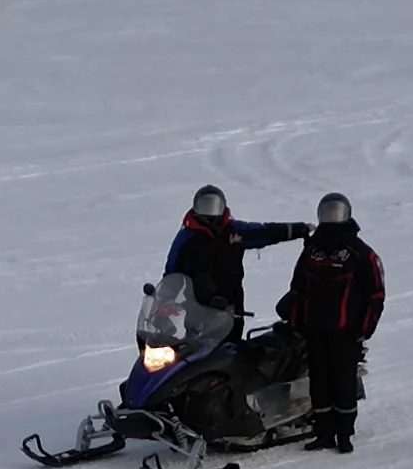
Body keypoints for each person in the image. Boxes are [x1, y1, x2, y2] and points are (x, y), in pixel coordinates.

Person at [281, 193, 385, 454]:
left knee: (343, 382)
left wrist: (364, 329)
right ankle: (323, 432)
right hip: (315, 329)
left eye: (335, 212)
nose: (331, 216)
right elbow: (297, 288)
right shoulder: (312, 251)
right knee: (319, 382)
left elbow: (375, 294)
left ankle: (345, 433)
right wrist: (295, 321)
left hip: (345, 331)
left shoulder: (361, 254)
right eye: (327, 212)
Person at [165, 185, 310, 336]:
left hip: (232, 307)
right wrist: (165, 301)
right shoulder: (187, 237)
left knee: (232, 352)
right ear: (196, 208)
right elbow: (171, 271)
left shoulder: (234, 231)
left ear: (222, 206)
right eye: (205, 205)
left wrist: (298, 229)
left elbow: (265, 231)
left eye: (214, 205)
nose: (210, 211)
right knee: (197, 353)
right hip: (198, 309)